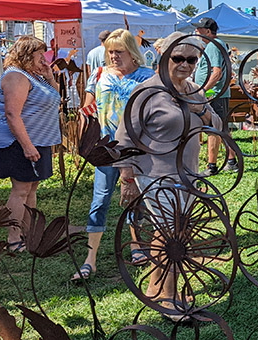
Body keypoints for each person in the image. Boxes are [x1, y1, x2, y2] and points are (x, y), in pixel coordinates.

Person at [113, 32, 221, 317]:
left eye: (191, 59)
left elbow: (217, 125)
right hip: (156, 176)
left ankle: (154, 286)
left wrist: (204, 112)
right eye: (178, 58)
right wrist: (127, 179)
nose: (185, 64)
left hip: (188, 175)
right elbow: (123, 139)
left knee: (170, 232)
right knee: (175, 238)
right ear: (164, 58)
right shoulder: (147, 92)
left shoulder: (193, 90)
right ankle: (170, 299)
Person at [72, 29, 153, 281]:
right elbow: (87, 107)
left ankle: (136, 244)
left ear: (132, 52)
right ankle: (90, 258)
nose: (114, 56)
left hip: (135, 147)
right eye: (110, 52)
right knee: (101, 198)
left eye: (119, 51)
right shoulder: (100, 74)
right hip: (105, 147)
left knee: (133, 198)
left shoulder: (147, 77)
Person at [0, 36, 62, 251]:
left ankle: (29, 233)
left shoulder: (35, 76)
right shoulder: (16, 76)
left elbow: (55, 99)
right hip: (18, 141)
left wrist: (49, 77)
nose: (44, 59)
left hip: (39, 139)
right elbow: (12, 114)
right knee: (20, 189)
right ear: (27, 55)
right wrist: (27, 146)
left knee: (31, 188)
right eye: (40, 54)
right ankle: (13, 238)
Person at [193, 18, 235, 174]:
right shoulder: (218, 44)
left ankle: (211, 166)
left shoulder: (212, 46)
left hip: (215, 94)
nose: (197, 32)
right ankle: (231, 161)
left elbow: (217, 72)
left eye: (199, 29)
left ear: (208, 32)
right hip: (218, 93)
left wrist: (203, 90)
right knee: (222, 128)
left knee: (213, 129)